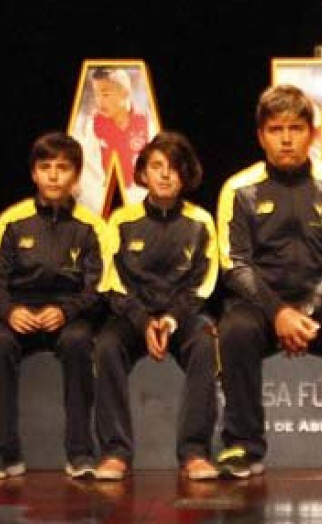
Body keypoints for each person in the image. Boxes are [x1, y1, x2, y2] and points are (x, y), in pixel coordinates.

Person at [214, 84, 322, 479]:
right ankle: (242, 445)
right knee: (234, 328)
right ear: (261, 136)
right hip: (261, 306)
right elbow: (235, 266)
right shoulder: (238, 189)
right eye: (276, 129)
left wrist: (305, 311)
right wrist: (278, 313)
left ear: (313, 133)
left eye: (296, 128)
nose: (286, 139)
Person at [0, 133, 107, 480]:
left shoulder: (92, 226)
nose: (54, 175)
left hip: (69, 314)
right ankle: (5, 453)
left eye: (63, 168)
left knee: (78, 342)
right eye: (45, 167)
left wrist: (67, 311)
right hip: (19, 311)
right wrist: (9, 312)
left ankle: (80, 452)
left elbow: (100, 287)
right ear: (34, 173)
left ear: (76, 175)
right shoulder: (12, 221)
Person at [92, 131, 221, 481]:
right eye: (157, 166)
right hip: (132, 315)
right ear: (143, 173)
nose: (165, 175)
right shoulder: (121, 220)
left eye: (175, 168)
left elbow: (203, 284)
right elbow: (111, 282)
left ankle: (194, 452)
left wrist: (171, 320)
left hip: (183, 315)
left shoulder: (201, 221)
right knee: (106, 345)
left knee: (205, 343)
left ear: (186, 175)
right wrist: (143, 321)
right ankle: (114, 452)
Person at [73, 67, 152, 216]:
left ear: (125, 93)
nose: (99, 101)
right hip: (101, 202)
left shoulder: (147, 124)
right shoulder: (92, 125)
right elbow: (86, 171)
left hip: (139, 202)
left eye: (105, 95)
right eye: (96, 95)